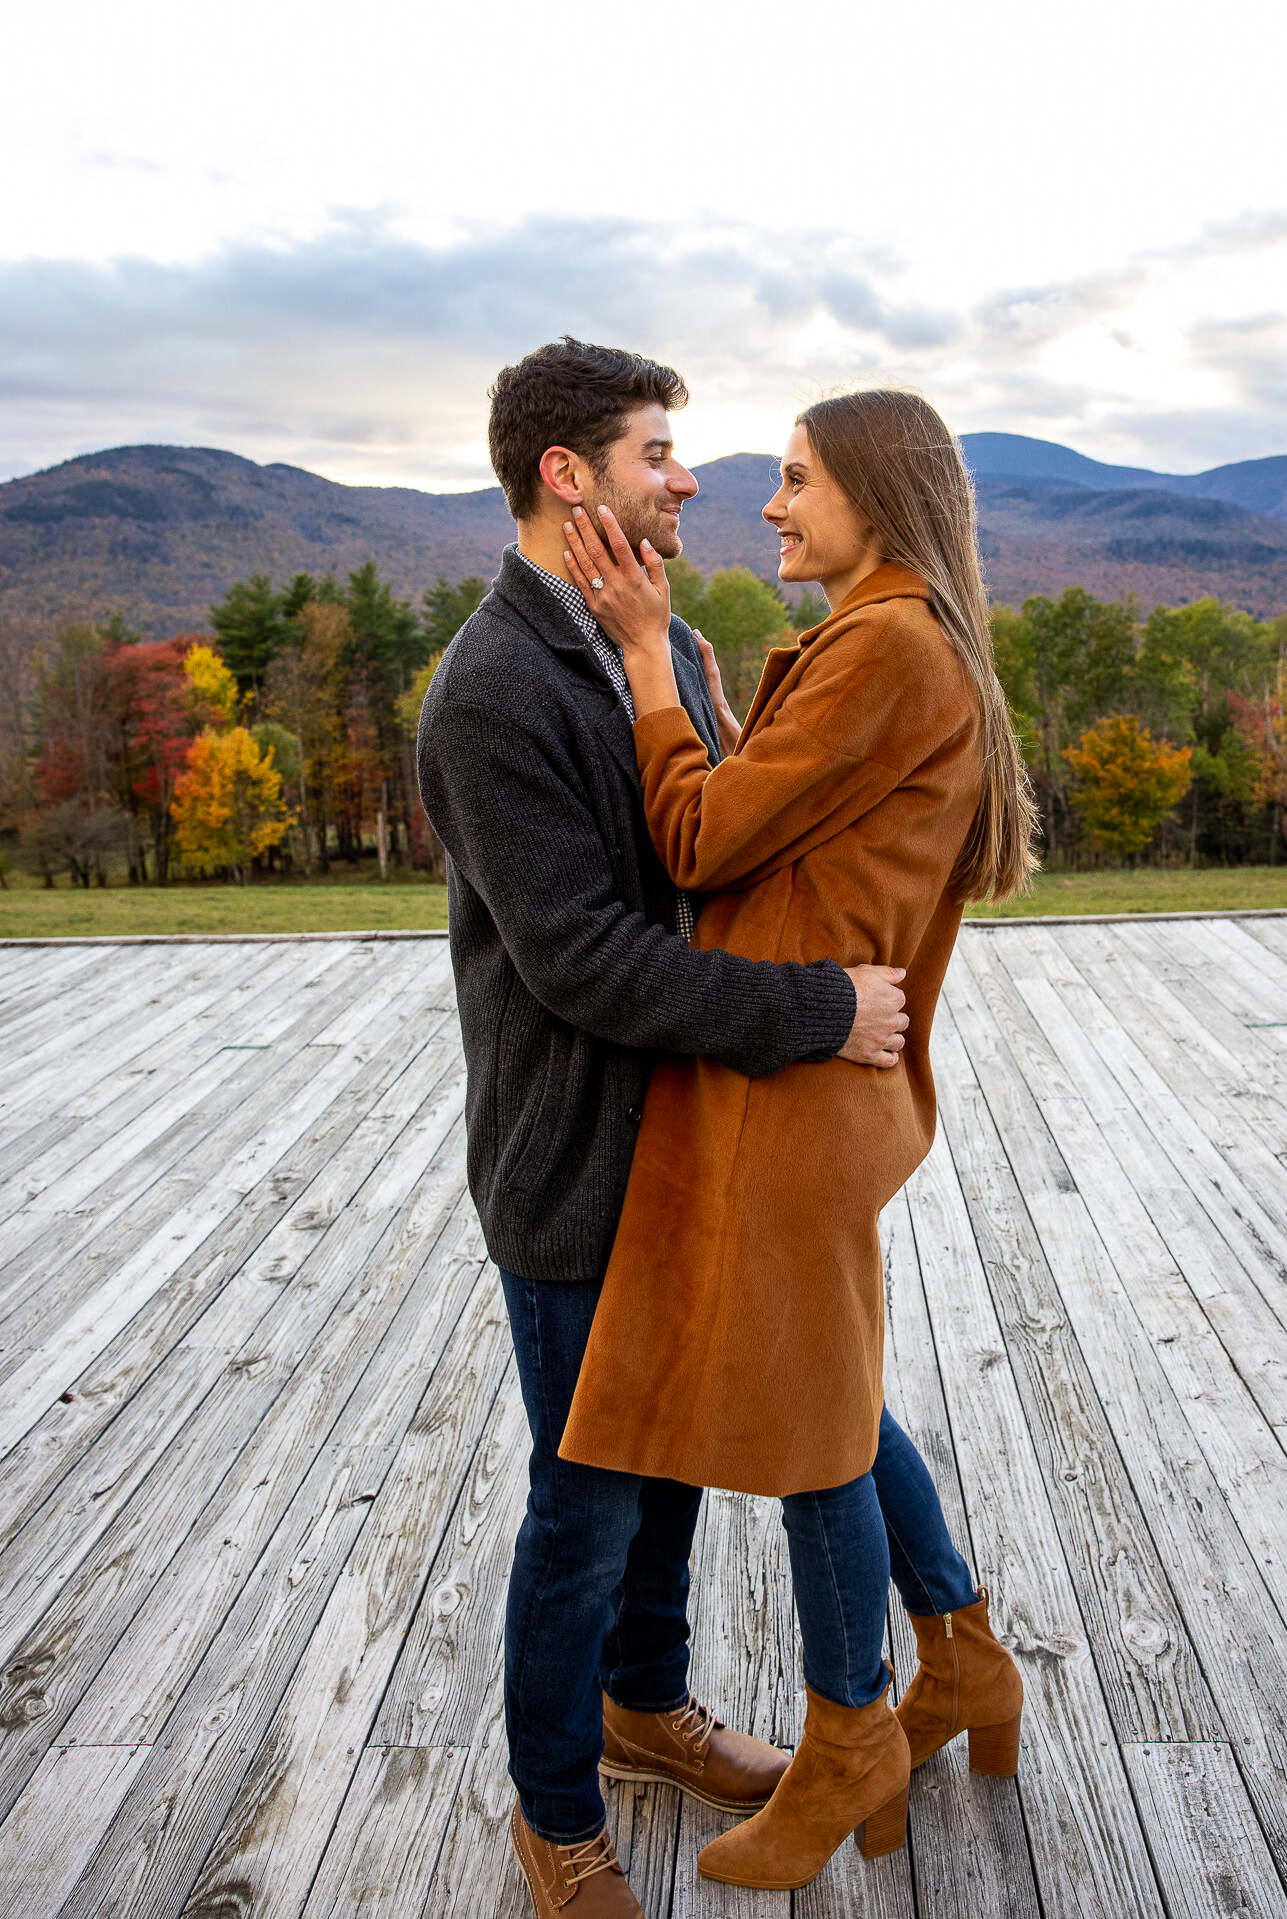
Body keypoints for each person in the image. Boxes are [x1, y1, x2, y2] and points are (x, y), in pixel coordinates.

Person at [416, 339, 913, 1919]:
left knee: (676, 1466)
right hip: (573, 1159)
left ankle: (650, 1703)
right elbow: (582, 958)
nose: (686, 479)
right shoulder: (491, 688)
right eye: (655, 452)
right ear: (570, 478)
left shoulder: (671, 646)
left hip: (694, 1147)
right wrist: (820, 1012)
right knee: (585, 1503)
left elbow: (714, 854)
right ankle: (555, 1811)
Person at [557, 386, 1038, 1893]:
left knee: (813, 1425)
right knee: (835, 1393)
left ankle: (851, 1741)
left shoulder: (886, 646)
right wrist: (706, 696)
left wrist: (643, 661)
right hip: (816, 1076)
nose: (769, 505)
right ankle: (958, 1655)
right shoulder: (892, 638)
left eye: (794, 478)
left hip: (798, 1077)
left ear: (873, 493)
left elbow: (702, 840)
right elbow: (787, 824)